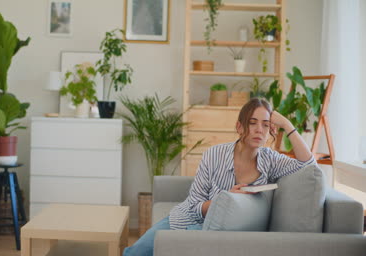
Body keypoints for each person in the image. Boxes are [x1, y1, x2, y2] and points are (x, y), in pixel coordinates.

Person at [123, 97, 316, 256]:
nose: (259, 130)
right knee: (136, 252)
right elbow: (195, 203)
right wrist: (224, 200)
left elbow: (308, 165)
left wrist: (286, 124)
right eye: (252, 123)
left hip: (222, 232)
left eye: (265, 125)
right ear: (240, 127)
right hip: (188, 220)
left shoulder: (270, 160)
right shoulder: (214, 154)